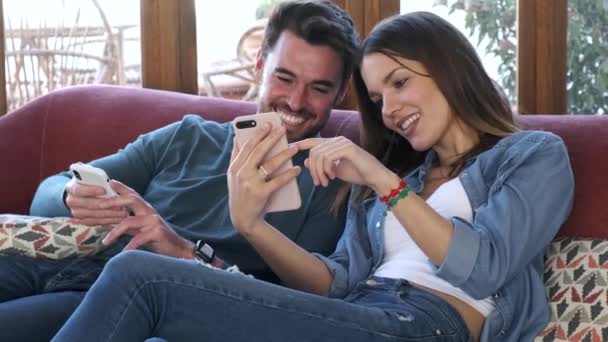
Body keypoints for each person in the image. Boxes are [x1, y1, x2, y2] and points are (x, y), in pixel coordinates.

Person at [52, 11, 574, 342]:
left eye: (399, 82)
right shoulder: (403, 185)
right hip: (365, 314)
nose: (389, 109)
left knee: (139, 277)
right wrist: (252, 224)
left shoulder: (531, 155)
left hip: (427, 324)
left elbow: (483, 267)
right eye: (376, 98)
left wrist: (377, 177)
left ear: (450, 66)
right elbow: (335, 286)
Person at [0, 1, 361, 341]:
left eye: (318, 88)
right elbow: (45, 197)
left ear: (341, 91)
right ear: (260, 66)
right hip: (62, 263)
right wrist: (71, 195)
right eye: (284, 77)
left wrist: (186, 251)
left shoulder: (329, 184)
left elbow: (286, 307)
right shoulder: (188, 137)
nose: (296, 101)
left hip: (122, 298)